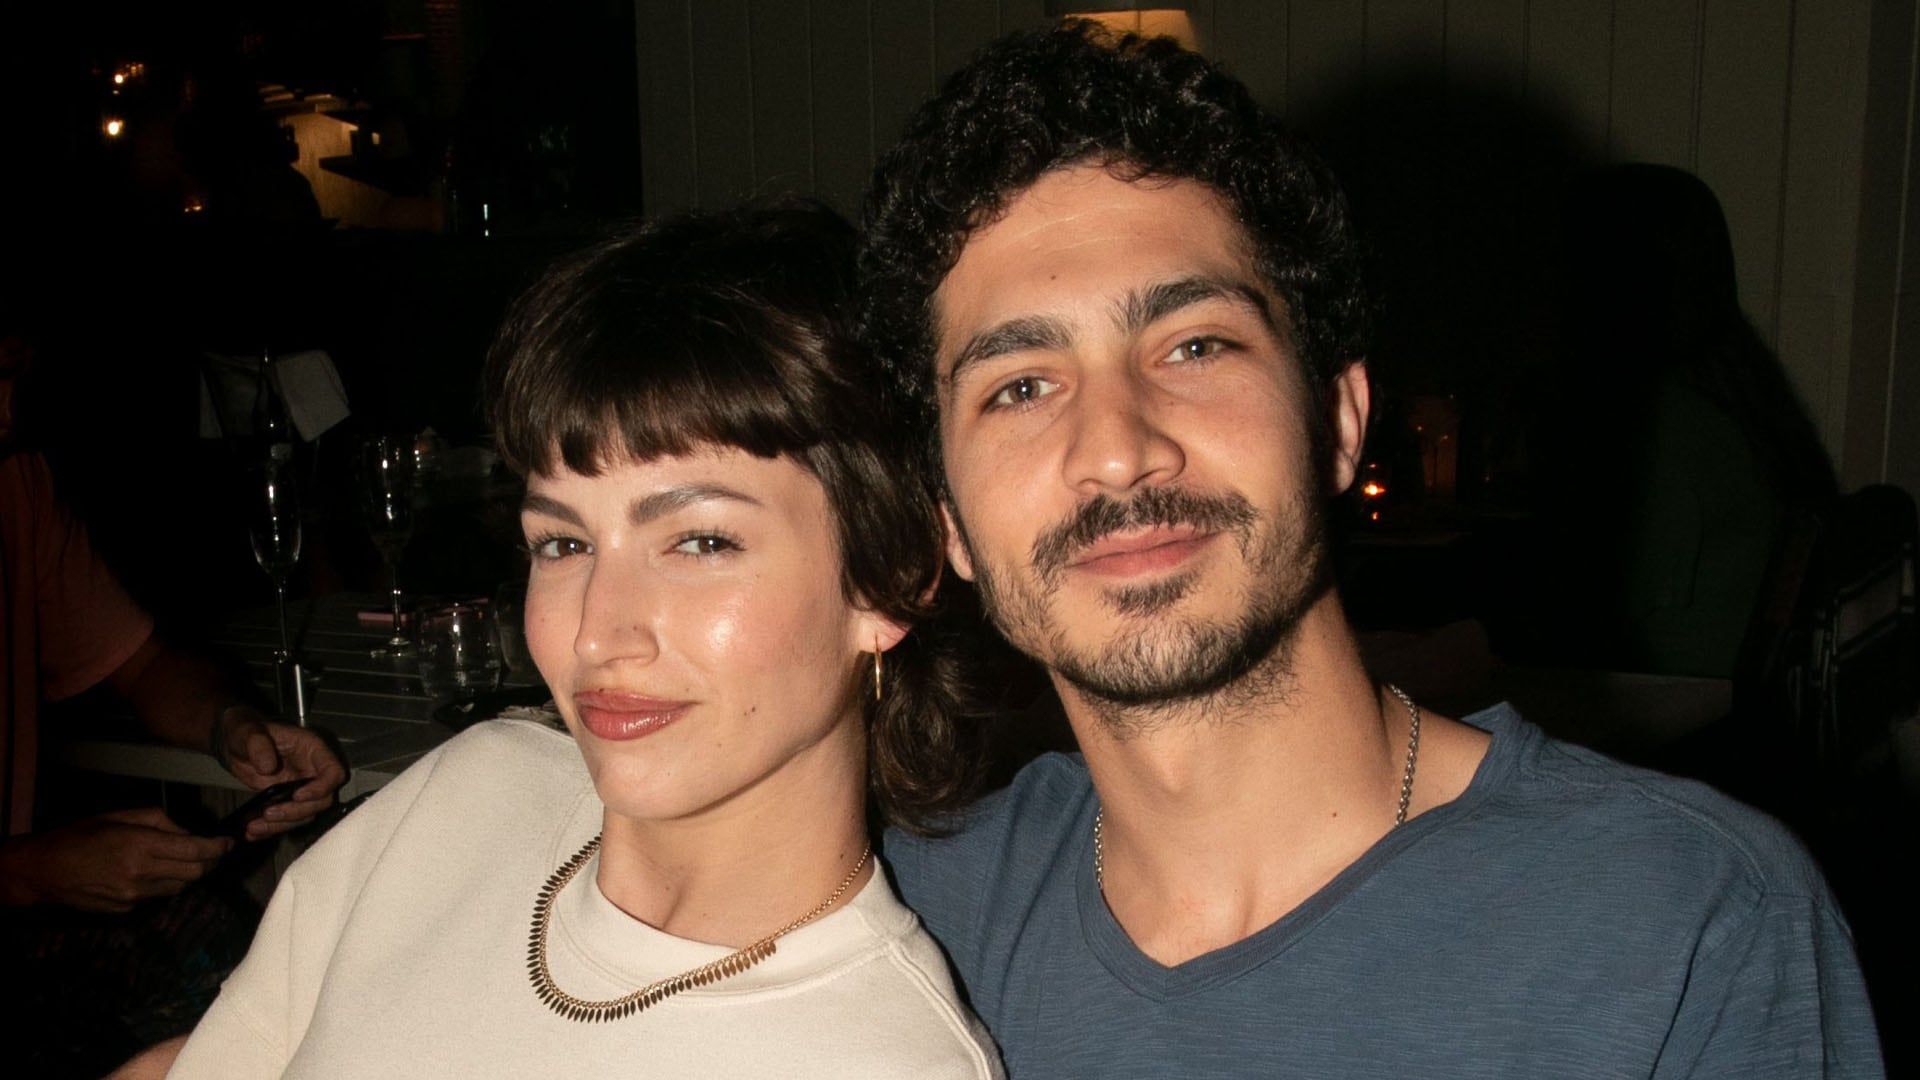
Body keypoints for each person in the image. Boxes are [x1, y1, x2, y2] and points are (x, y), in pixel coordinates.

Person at [861, 22, 1883, 1077]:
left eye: (1195, 345)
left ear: (1340, 422)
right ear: (947, 516)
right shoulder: (905, 932)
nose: (1117, 451)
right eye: (1020, 386)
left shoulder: (1685, 928)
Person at [158, 203, 1001, 1077]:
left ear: (892, 574)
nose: (597, 632)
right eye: (563, 543)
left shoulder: (881, 1058)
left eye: (700, 542)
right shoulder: (465, 795)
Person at [0, 321, 347, 1075]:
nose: (7, 411)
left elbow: (142, 664)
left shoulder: (18, 482)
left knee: (241, 956)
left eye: (12, 375)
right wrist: (25, 871)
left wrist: (233, 726)